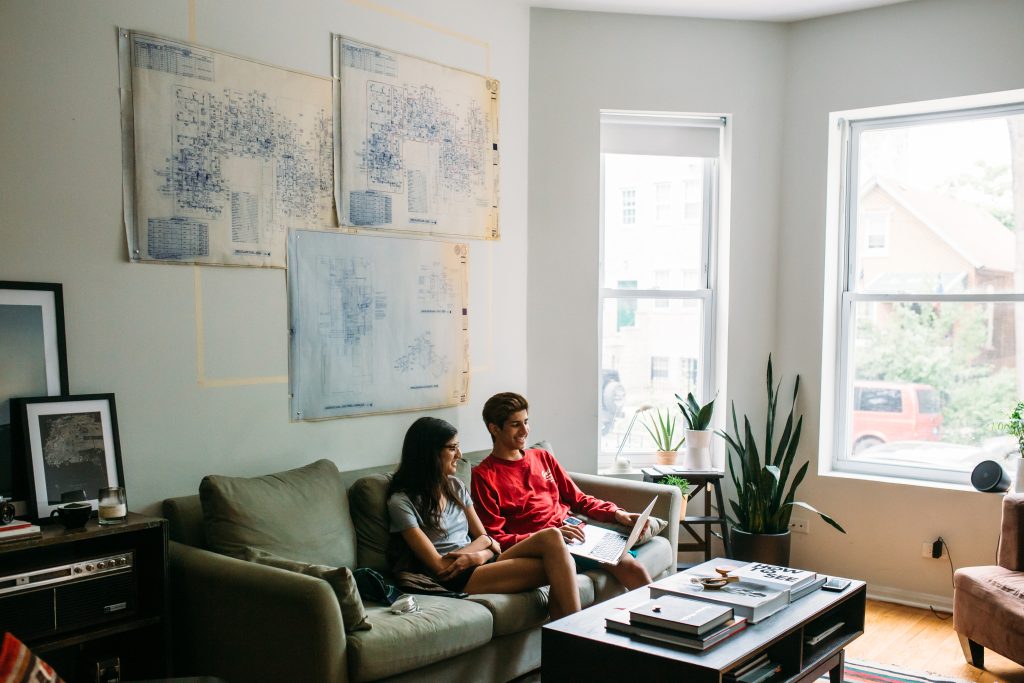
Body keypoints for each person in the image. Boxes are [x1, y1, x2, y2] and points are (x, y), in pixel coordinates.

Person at [386, 416, 581, 619]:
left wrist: (477, 555)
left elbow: (490, 541)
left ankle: (567, 639)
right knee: (562, 566)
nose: (459, 455)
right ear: (430, 454)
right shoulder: (401, 502)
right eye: (452, 448)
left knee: (552, 536)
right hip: (455, 577)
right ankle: (573, 638)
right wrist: (482, 547)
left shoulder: (455, 486)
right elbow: (440, 566)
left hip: (479, 562)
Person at [471, 392, 652, 590]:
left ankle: (659, 619)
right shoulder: (484, 476)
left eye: (526, 422)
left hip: (578, 536)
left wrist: (617, 513)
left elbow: (579, 499)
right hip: (544, 547)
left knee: (633, 568)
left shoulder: (542, 457)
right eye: (516, 425)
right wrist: (546, 536)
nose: (525, 430)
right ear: (494, 429)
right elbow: (495, 538)